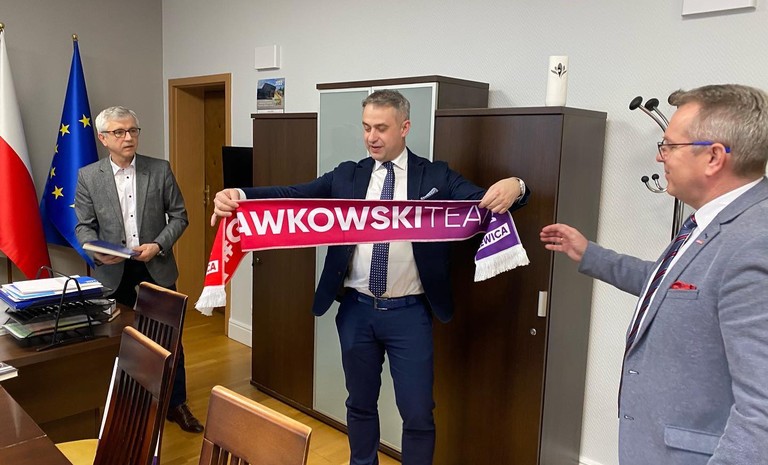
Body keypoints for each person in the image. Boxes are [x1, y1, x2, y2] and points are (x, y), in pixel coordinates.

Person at [211, 89, 530, 465]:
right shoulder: (348, 175)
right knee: (359, 404)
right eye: (366, 128)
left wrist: (516, 186)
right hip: (356, 311)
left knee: (417, 412)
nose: (371, 137)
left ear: (405, 127)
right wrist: (240, 194)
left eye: (381, 128)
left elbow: (486, 201)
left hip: (410, 315)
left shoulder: (436, 176)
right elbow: (294, 195)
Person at [540, 84, 768, 465]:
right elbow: (671, 286)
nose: (660, 156)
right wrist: (589, 254)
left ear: (713, 157)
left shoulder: (753, 243)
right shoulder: (711, 223)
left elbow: (761, 413)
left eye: (670, 146)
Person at [74, 106, 204, 433]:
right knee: (116, 339)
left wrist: (158, 245)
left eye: (133, 130)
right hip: (112, 271)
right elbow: (84, 227)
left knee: (169, 338)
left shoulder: (159, 170)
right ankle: (125, 404)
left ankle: (175, 403)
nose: (128, 137)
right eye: (119, 132)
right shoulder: (89, 176)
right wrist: (96, 252)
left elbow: (180, 217)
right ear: (103, 138)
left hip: (155, 265)